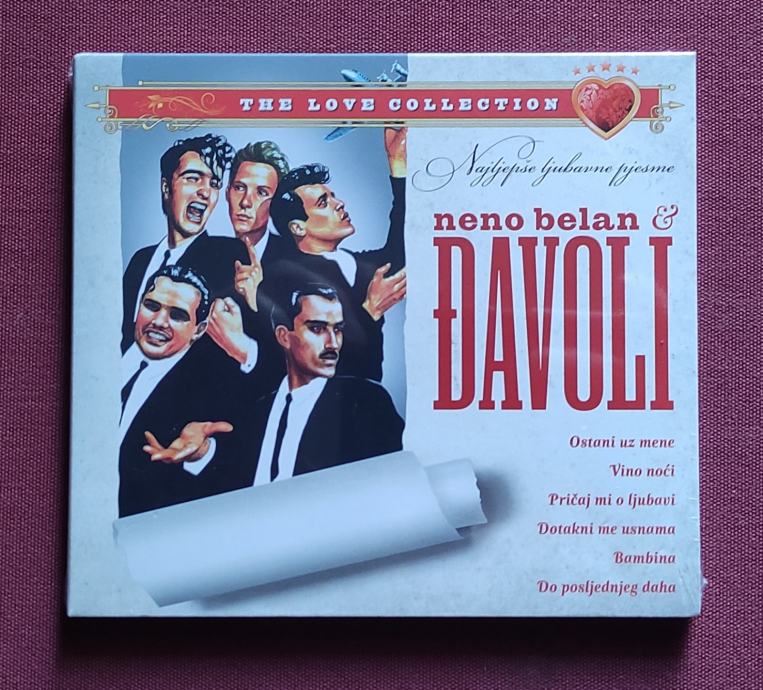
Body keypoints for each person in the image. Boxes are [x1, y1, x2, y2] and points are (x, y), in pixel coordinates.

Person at [155, 286, 404, 489]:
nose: (332, 344)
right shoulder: (257, 411)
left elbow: (390, 484)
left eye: (337, 330)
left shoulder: (366, 402)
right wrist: (202, 453)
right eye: (317, 329)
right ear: (284, 336)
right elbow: (233, 480)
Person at [266, 128, 408, 381]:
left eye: (333, 196)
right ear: (298, 227)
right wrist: (370, 311)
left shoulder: (359, 265)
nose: (339, 203)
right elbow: (308, 362)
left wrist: (397, 163)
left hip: (370, 399)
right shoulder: (285, 279)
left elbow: (402, 246)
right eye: (324, 202)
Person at [118, 264, 237, 517]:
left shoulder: (211, 389)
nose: (159, 322)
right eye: (152, 306)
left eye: (177, 315)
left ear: (199, 330)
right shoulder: (103, 344)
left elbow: (227, 475)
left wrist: (200, 453)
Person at [121, 133, 238, 354]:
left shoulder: (227, 258)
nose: (205, 192)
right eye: (193, 178)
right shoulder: (140, 260)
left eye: (214, 183)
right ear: (166, 188)